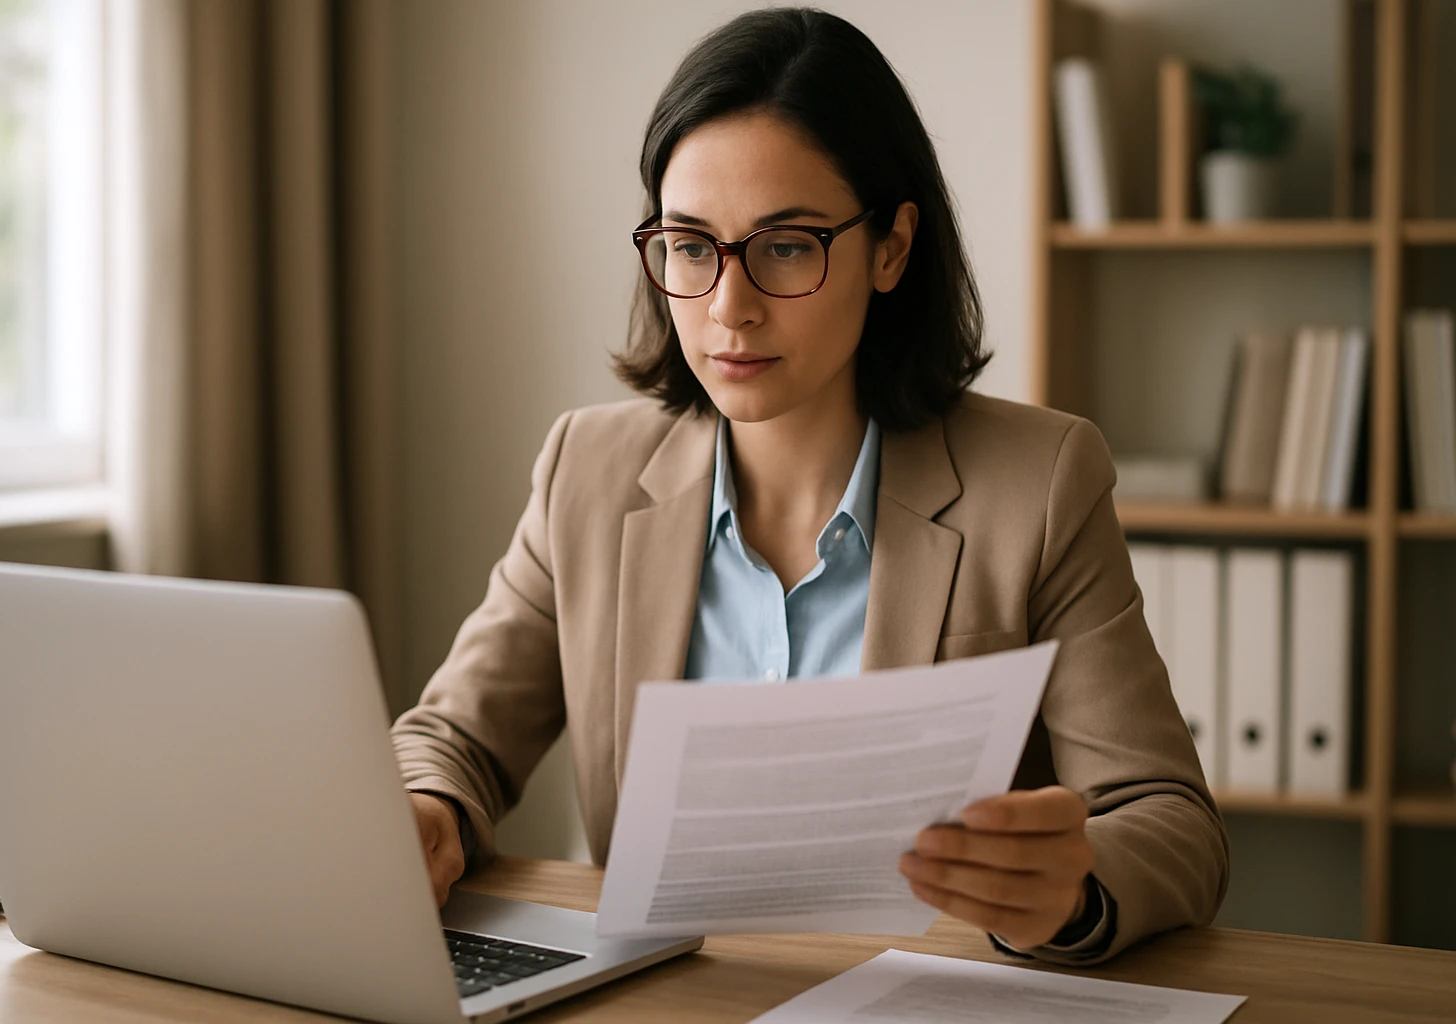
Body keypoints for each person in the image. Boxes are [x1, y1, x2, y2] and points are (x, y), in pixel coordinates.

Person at [391, 7, 1227, 965]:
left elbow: (1170, 820)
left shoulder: (1037, 483)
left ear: (891, 248)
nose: (727, 309)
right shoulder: (588, 469)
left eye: (787, 245)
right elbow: (453, 734)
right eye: (691, 246)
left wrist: (1073, 891)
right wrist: (429, 808)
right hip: (671, 996)